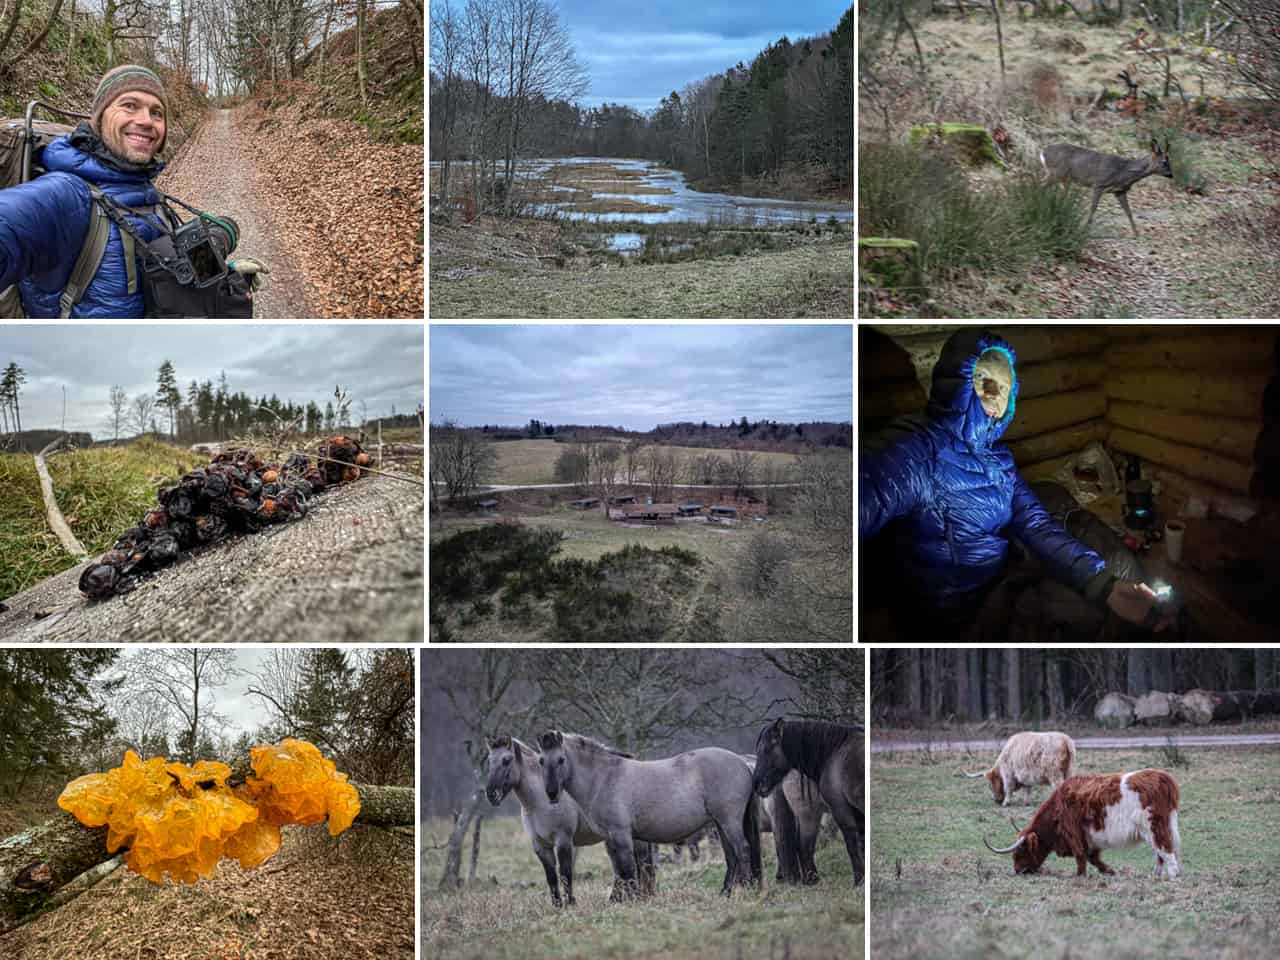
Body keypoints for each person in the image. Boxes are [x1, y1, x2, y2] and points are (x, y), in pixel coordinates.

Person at [860, 328, 1170, 639]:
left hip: (1001, 575)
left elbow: (1035, 523)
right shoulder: (916, 450)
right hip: (962, 613)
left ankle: (1134, 603)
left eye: (1004, 387)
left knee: (1088, 542)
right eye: (984, 380)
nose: (995, 394)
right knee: (1087, 611)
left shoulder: (997, 458)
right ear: (958, 382)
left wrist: (1102, 584)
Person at [0, 64, 264, 318]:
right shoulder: (62, 196)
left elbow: (171, 269)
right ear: (99, 118)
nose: (146, 121)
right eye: (129, 105)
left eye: (157, 112)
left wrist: (223, 277)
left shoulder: (150, 196)